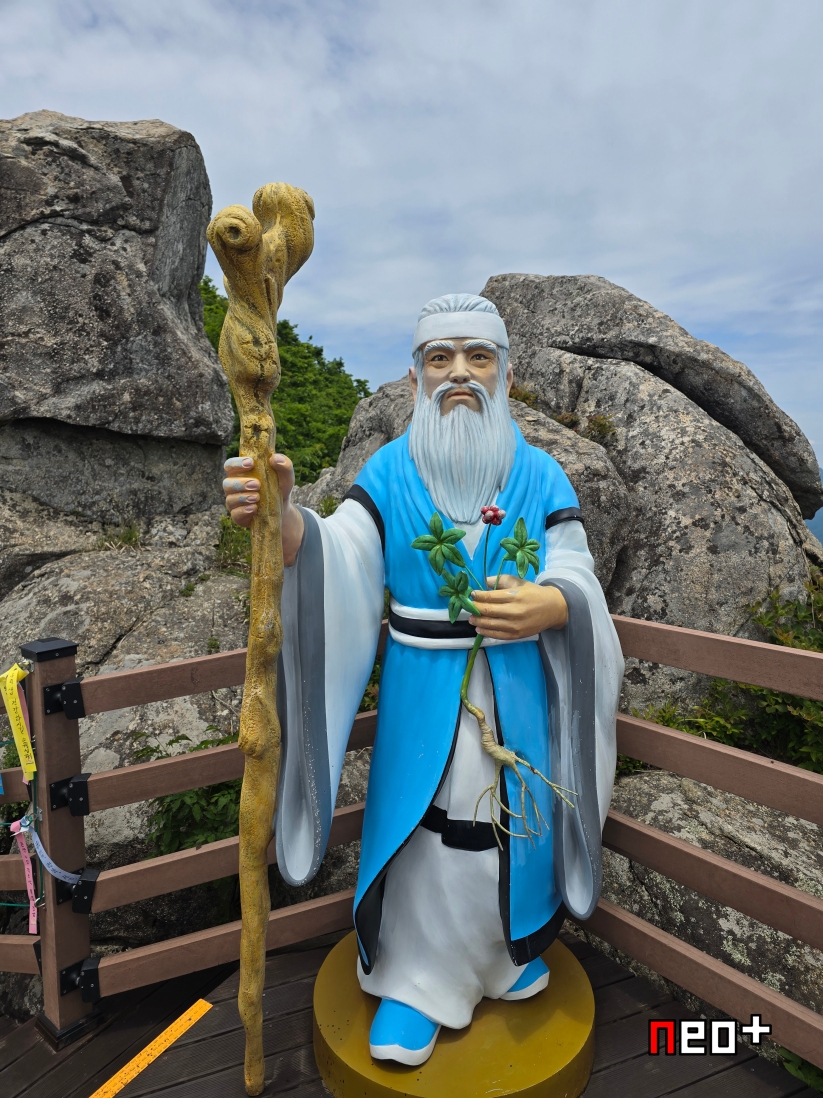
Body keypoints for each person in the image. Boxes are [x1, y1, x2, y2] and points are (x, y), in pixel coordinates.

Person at [222, 293, 623, 1066]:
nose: (458, 374)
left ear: (505, 375)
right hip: (423, 691)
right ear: (415, 379)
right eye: (439, 358)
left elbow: (574, 567)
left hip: (514, 693)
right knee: (429, 831)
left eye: (477, 357)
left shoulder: (540, 475)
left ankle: (500, 957)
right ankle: (416, 981)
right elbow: (342, 553)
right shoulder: (389, 472)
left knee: (507, 828)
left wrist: (551, 602)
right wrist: (282, 518)